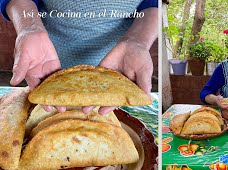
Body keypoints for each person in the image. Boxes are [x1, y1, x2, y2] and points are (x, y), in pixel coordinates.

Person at [0, 0, 158, 114]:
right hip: (46, 63)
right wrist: (29, 27)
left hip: (120, 69)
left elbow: (153, 4)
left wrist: (138, 41)